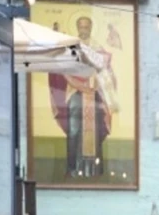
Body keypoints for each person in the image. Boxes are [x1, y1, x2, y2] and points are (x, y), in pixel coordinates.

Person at [48, 16, 118, 178]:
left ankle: (95, 169)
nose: (84, 29)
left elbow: (105, 71)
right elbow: (65, 71)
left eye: (86, 27)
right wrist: (79, 86)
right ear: (77, 28)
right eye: (81, 26)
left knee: (97, 128)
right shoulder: (72, 48)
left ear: (91, 28)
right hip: (75, 92)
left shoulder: (98, 49)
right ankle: (72, 168)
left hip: (94, 93)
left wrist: (96, 86)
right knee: (73, 129)